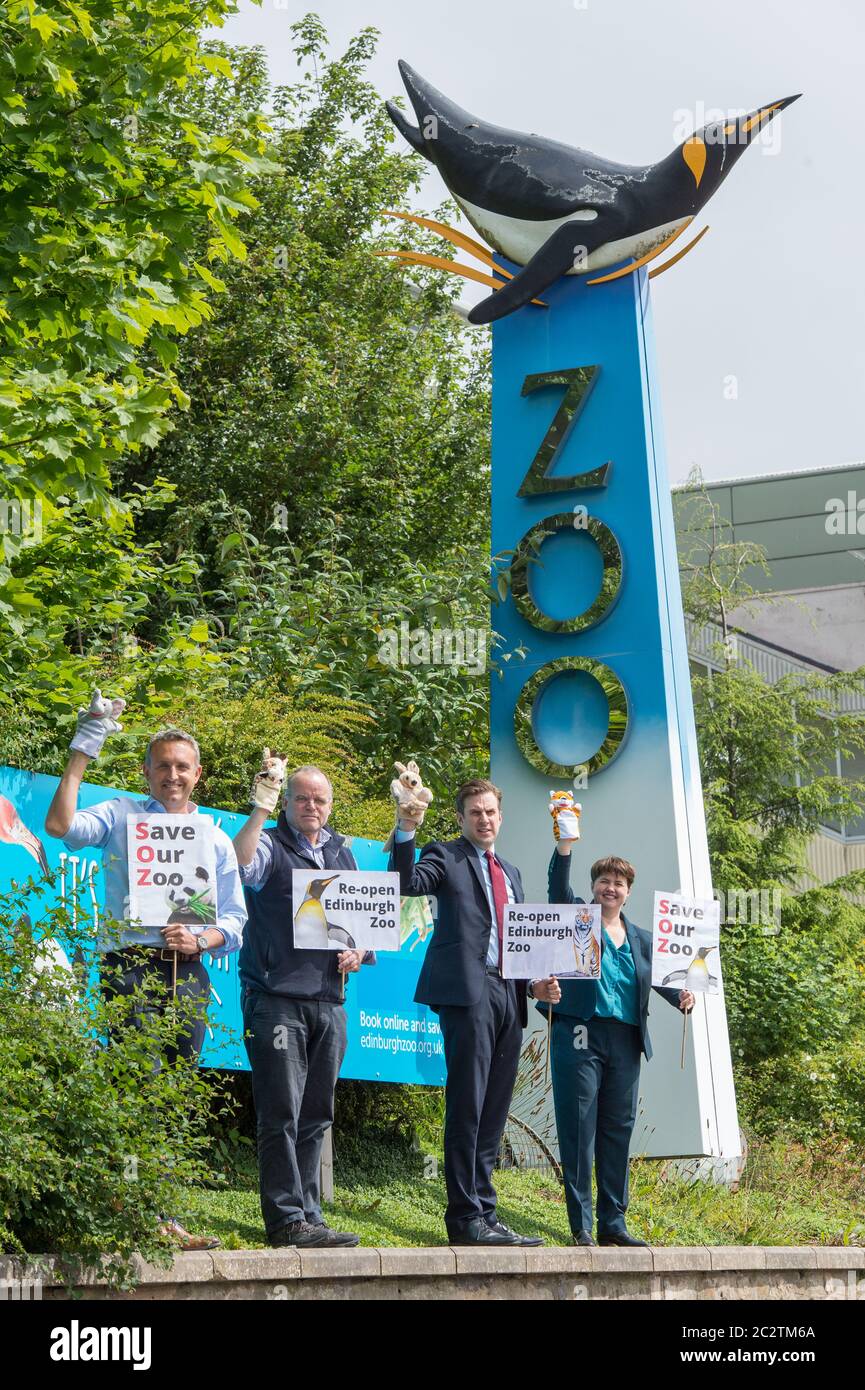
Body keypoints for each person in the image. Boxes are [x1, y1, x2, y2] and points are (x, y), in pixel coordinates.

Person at [44, 703, 246, 1250]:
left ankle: (164, 1215)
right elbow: (60, 826)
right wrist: (84, 746)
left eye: (182, 766)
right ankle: (133, 1206)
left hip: (190, 974)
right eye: (163, 766)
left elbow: (235, 919)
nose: (173, 776)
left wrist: (202, 938)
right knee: (138, 1085)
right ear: (146, 773)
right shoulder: (119, 816)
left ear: (197, 774)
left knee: (174, 1093)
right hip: (129, 966)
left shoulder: (215, 837)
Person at [390, 777, 558, 1246]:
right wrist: (407, 826)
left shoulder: (512, 871)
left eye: (491, 813)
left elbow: (521, 945)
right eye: (475, 813)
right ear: (461, 818)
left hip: (510, 993)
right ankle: (464, 1218)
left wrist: (536, 985)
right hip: (468, 992)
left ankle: (485, 1212)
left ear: (500, 818)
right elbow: (404, 884)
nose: (484, 820)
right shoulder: (445, 856)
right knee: (468, 1104)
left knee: (494, 1109)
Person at [234, 759, 372, 1249]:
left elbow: (363, 922)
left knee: (317, 1113)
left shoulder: (343, 851)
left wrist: (360, 951)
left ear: (330, 805)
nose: (311, 806)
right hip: (275, 998)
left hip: (330, 1000)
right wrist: (259, 809)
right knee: (282, 1112)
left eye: (320, 799)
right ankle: (286, 1220)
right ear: (287, 802)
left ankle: (310, 1214)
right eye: (301, 798)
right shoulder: (270, 841)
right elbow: (241, 867)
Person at [546, 836, 694, 1247]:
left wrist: (681, 995)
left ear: (629, 892)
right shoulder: (576, 920)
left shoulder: (642, 938)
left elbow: (662, 976)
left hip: (626, 1039)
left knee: (618, 1129)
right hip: (580, 1032)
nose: (610, 888)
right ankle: (582, 1225)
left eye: (619, 883)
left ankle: (614, 1223)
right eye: (603, 881)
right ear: (593, 887)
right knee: (579, 1127)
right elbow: (557, 889)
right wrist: (564, 849)